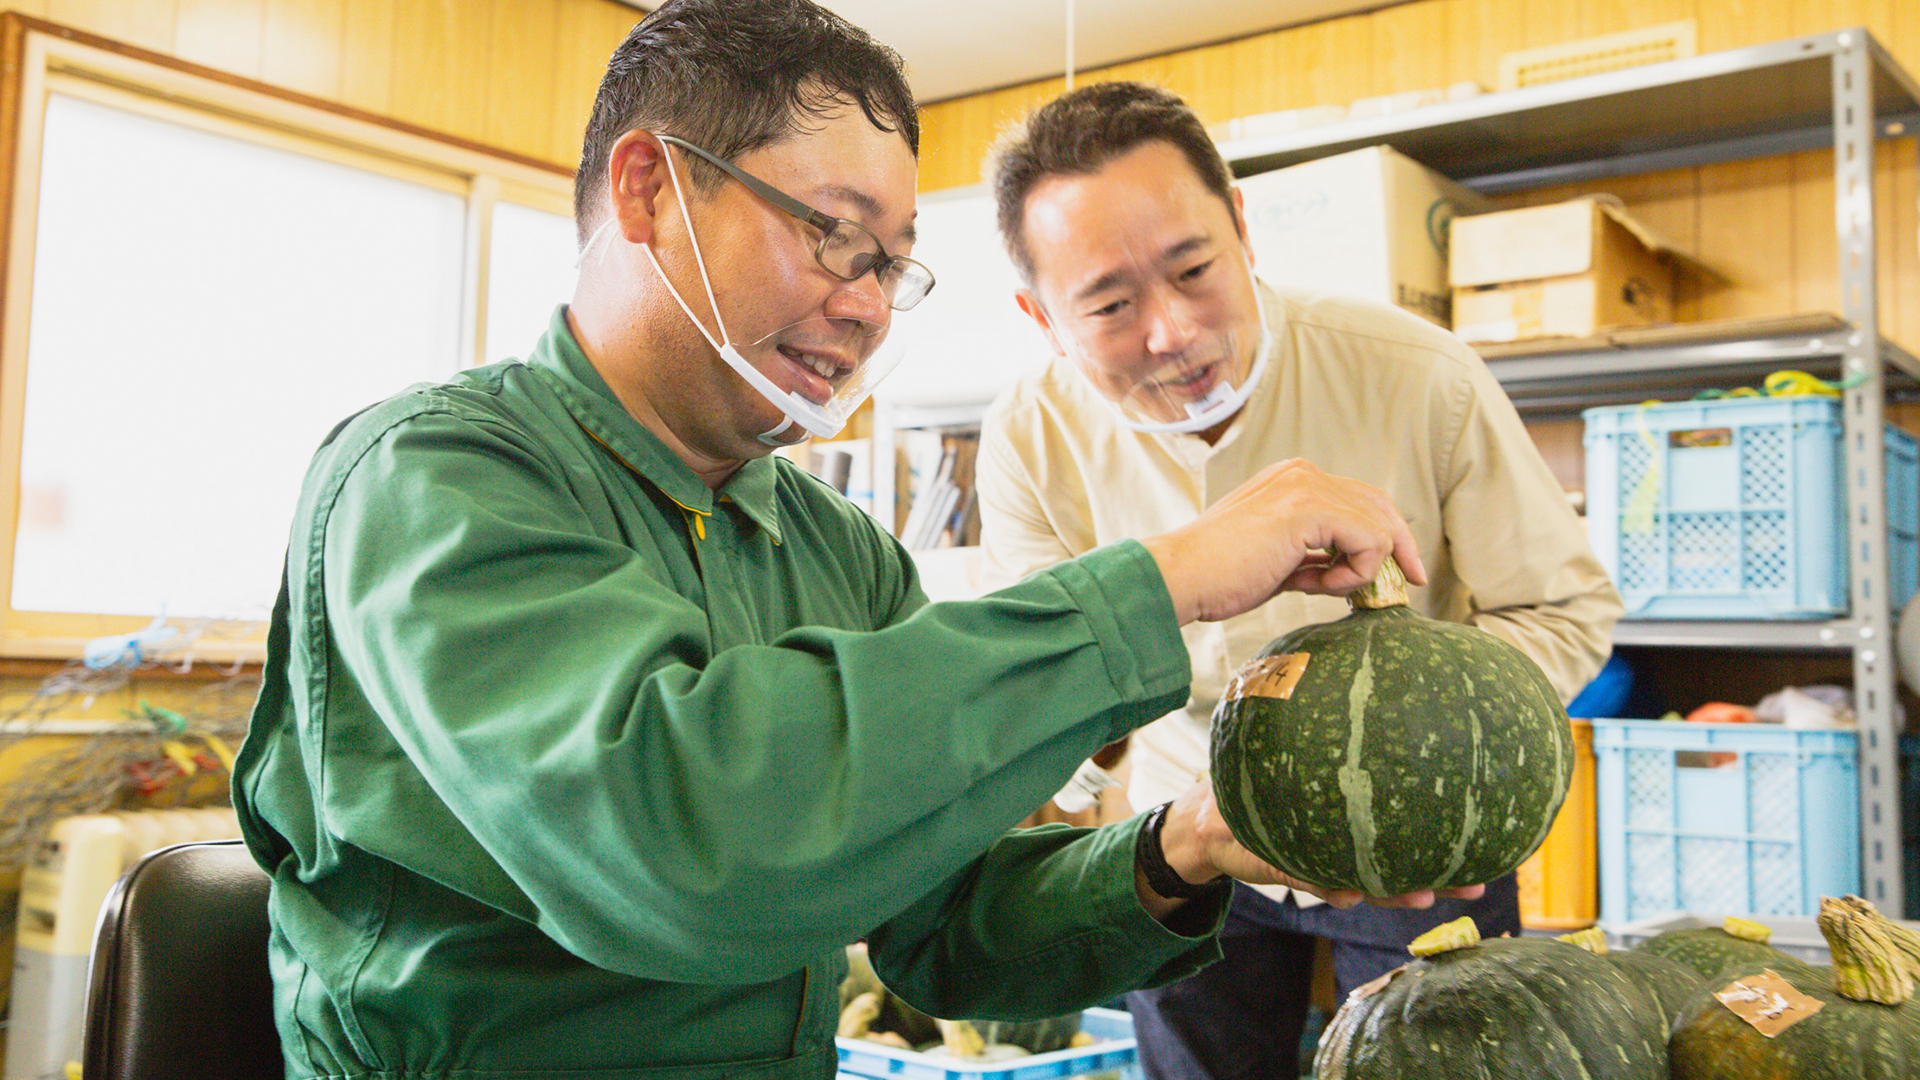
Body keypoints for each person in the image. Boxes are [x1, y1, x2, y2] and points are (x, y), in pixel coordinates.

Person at [229, 4, 1479, 1078]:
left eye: (893, 265)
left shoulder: (831, 546)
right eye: (833, 238)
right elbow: (685, 843)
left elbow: (947, 920)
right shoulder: (438, 479)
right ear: (649, 189)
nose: (869, 306)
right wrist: (1151, 589)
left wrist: (1186, 845)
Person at [977, 81, 1625, 1079]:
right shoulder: (1031, 433)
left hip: (1422, 830)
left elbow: (1568, 608)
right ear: (1040, 314)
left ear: (1240, 224)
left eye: (1194, 269)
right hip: (1186, 823)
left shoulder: (1420, 374)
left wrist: (1419, 740)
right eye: (1109, 304)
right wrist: (1075, 749)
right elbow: (1046, 675)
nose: (1171, 333)